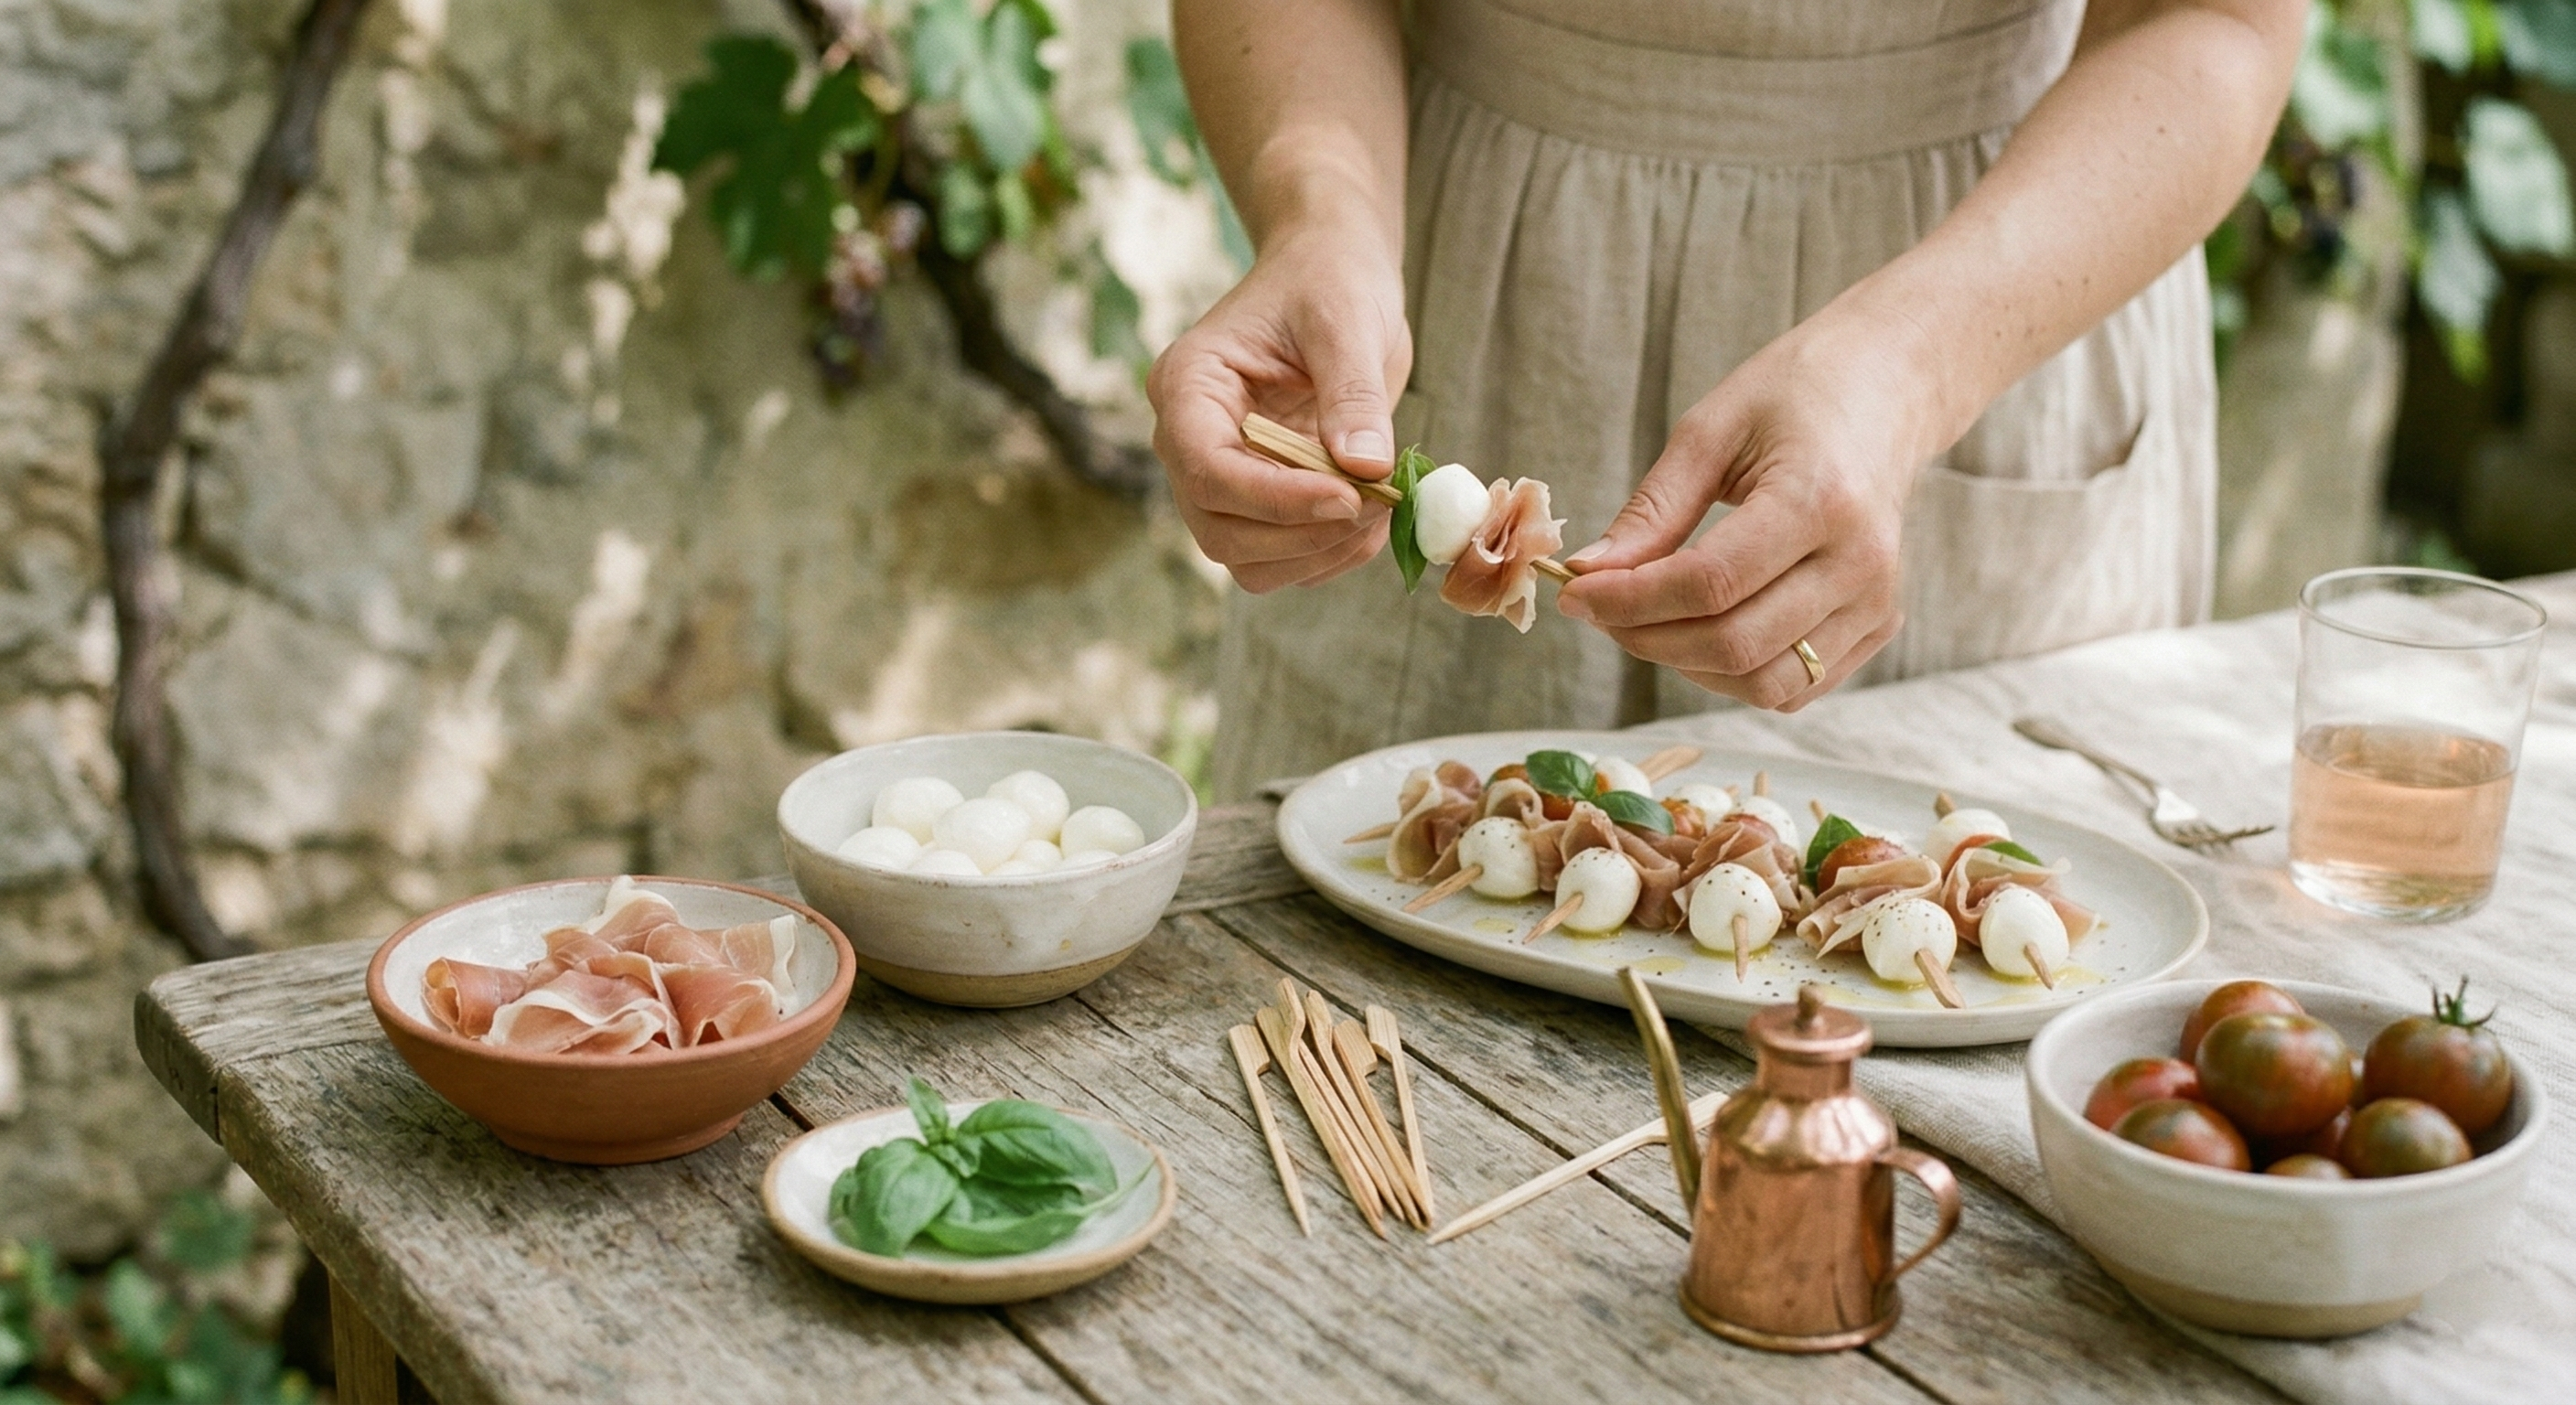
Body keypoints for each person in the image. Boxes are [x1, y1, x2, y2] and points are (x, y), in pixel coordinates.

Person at [1147, 0, 2305, 799]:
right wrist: (1322, 208)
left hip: (1997, 278)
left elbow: (2215, 22)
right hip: (1476, 275)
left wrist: (1907, 372)